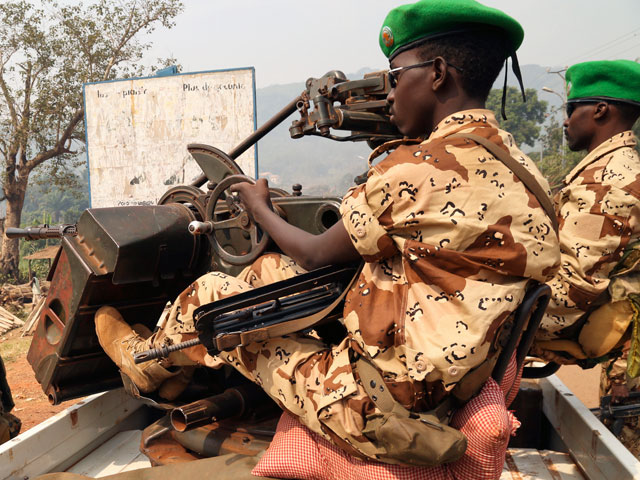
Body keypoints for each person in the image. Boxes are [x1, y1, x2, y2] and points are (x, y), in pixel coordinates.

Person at [96, 0, 559, 466]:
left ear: (437, 73)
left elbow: (318, 254)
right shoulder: (529, 177)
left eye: (397, 77)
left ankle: (142, 364)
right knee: (271, 270)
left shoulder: (417, 171)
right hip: (441, 385)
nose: (392, 95)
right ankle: (176, 368)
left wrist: (259, 208)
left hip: (372, 408)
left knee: (213, 296)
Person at [530, 59, 640, 456]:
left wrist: (497, 323)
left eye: (570, 109)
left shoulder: (607, 182)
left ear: (600, 111)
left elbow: (570, 294)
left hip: (629, 371)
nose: (564, 120)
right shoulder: (604, 172)